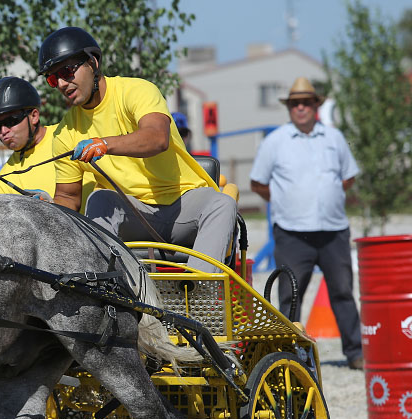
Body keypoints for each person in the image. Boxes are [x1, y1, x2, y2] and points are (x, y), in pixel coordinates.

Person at [42, 27, 238, 272]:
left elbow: (157, 138)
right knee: (100, 199)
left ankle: (200, 294)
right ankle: (107, 293)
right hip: (135, 215)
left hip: (182, 206)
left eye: (67, 71)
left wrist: (104, 144)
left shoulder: (137, 91)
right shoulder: (65, 133)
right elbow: (68, 198)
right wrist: (45, 209)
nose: (61, 83)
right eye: (52, 79)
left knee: (222, 203)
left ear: (93, 62)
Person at [249, 77, 363, 369]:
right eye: (295, 103)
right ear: (289, 108)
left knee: (343, 293)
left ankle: (355, 354)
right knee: (290, 296)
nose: (301, 108)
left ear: (316, 106)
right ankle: (288, 356)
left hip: (333, 230)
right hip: (292, 233)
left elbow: (348, 177)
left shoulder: (334, 138)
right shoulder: (275, 141)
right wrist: (286, 200)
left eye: (306, 102)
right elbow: (258, 183)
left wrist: (328, 196)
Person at [0, 77, 55, 201]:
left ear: (34, 116)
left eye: (11, 120)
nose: (4, 131)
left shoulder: (68, 134)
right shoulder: (3, 182)